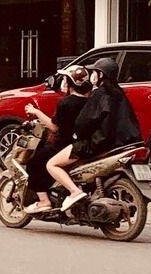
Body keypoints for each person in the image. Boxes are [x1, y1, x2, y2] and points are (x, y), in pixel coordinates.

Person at [53, 57, 143, 214]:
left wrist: (76, 135)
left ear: (100, 75)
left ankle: (75, 192)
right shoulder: (119, 93)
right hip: (119, 144)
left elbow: (84, 122)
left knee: (52, 164)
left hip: (97, 144)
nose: (92, 75)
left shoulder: (100, 94)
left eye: (94, 72)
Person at [25, 65, 90, 211]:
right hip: (83, 143)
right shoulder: (90, 102)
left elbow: (54, 127)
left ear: (71, 83)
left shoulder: (66, 103)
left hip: (64, 145)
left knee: (34, 163)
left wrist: (35, 112)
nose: (64, 83)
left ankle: (44, 201)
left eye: (66, 80)